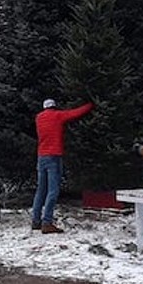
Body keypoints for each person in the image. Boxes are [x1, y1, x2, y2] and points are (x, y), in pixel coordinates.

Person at [32, 98, 93, 234]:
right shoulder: (58, 115)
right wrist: (90, 104)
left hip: (41, 156)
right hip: (54, 156)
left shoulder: (39, 118)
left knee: (41, 190)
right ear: (54, 106)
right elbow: (75, 113)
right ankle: (47, 222)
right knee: (53, 191)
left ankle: (36, 220)